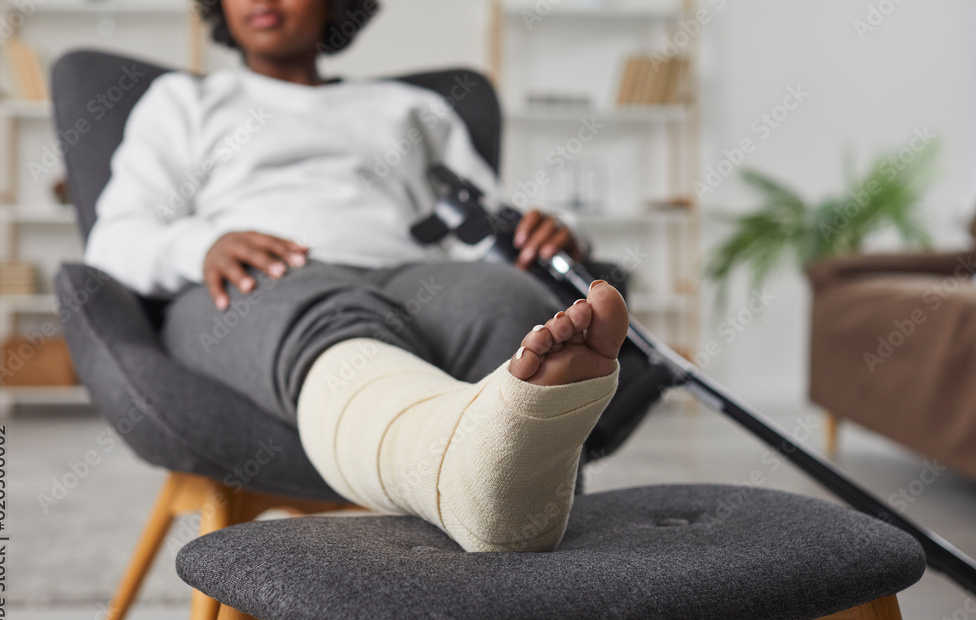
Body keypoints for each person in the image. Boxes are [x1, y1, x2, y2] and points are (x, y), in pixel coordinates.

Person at [84, 0, 629, 552]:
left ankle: (506, 511)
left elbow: (484, 224)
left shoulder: (414, 110)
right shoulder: (184, 103)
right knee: (323, 311)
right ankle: (467, 480)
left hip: (408, 274)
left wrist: (555, 236)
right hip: (256, 282)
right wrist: (204, 246)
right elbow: (113, 240)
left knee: (507, 302)